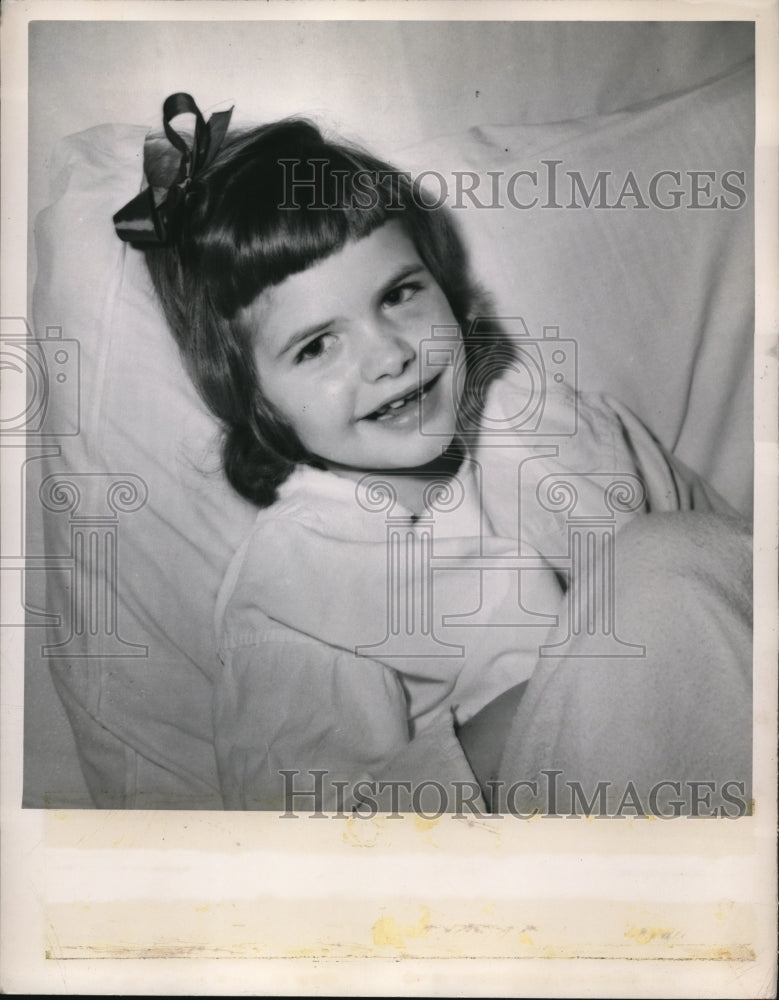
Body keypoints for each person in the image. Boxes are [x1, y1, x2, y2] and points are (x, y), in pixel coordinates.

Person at [115, 94, 752, 814]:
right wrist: (529, 719)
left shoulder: (535, 417)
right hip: (533, 847)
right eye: (316, 345)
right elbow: (314, 843)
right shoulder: (291, 594)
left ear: (448, 293)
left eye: (399, 295)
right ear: (255, 399)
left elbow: (722, 560)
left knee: (664, 557)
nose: (388, 353)